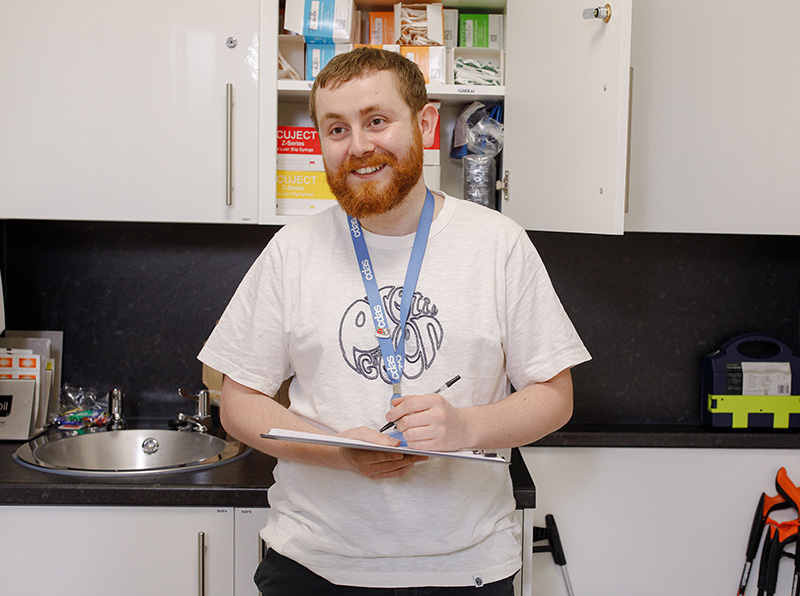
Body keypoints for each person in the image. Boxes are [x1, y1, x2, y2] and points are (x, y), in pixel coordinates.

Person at [198, 47, 591, 595]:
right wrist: (335, 450)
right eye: (337, 129)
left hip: (466, 570)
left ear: (425, 124)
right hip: (314, 567)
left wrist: (465, 429)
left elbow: (554, 396)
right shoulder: (292, 250)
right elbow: (239, 404)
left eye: (377, 120)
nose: (359, 146)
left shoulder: (499, 244)